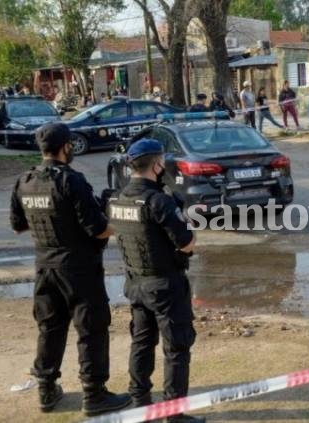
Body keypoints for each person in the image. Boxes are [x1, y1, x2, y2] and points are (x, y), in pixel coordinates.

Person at [9, 122, 131, 416]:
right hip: (78, 269)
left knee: (50, 328)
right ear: (66, 147)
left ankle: (46, 390)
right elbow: (98, 229)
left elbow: (18, 226)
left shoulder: (24, 180)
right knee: (91, 329)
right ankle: (95, 395)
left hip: (45, 268)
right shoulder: (71, 180)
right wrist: (117, 223)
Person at [108, 139, 202, 423]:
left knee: (141, 343)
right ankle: (173, 414)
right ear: (157, 165)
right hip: (165, 286)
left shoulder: (117, 199)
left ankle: (140, 403)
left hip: (136, 283)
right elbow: (186, 244)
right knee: (176, 348)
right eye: (162, 162)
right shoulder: (158, 201)